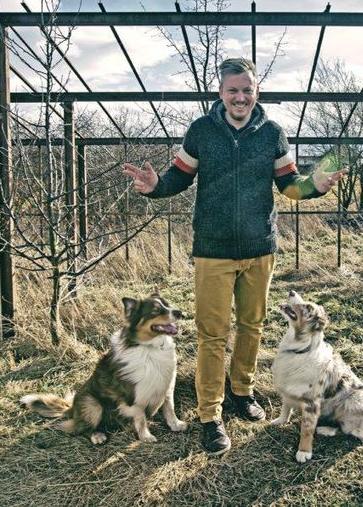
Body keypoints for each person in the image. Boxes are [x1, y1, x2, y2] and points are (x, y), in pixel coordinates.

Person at [124, 57, 346, 455]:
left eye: (247, 90)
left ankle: (241, 391)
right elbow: (179, 177)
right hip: (213, 250)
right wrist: (156, 185)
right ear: (221, 92)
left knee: (251, 326)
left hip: (260, 248)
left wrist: (315, 185)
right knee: (212, 335)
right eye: (233, 90)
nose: (240, 97)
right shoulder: (201, 131)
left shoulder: (273, 134)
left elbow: (290, 186)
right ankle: (210, 415)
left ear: (256, 91)